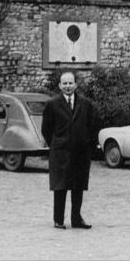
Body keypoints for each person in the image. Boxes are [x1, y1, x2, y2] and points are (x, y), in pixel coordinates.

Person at [41, 71, 98, 230]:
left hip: (80, 153)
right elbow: (46, 129)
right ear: (59, 85)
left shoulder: (86, 104)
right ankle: (58, 219)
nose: (67, 86)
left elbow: (91, 127)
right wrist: (56, 144)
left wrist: (88, 147)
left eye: (70, 83)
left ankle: (76, 219)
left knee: (78, 187)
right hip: (60, 153)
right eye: (64, 83)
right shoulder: (52, 105)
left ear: (76, 84)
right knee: (60, 187)